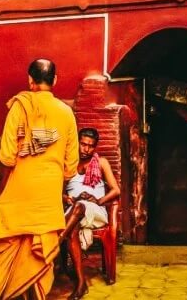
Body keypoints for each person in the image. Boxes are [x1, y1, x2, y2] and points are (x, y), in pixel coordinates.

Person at [0, 58, 79, 300]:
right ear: (55, 80)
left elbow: (6, 156)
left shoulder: (20, 106)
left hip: (17, 194)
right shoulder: (66, 113)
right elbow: (71, 168)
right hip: (47, 199)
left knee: (3, 252)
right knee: (40, 256)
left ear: (30, 80)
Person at [63, 128, 119, 299]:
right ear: (77, 142)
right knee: (75, 217)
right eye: (83, 144)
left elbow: (116, 190)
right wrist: (67, 198)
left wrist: (97, 200)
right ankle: (81, 283)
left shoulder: (101, 162)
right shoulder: (69, 164)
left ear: (95, 147)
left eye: (90, 146)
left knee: (80, 206)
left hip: (95, 211)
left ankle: (57, 240)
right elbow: (59, 192)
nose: (86, 149)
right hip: (73, 212)